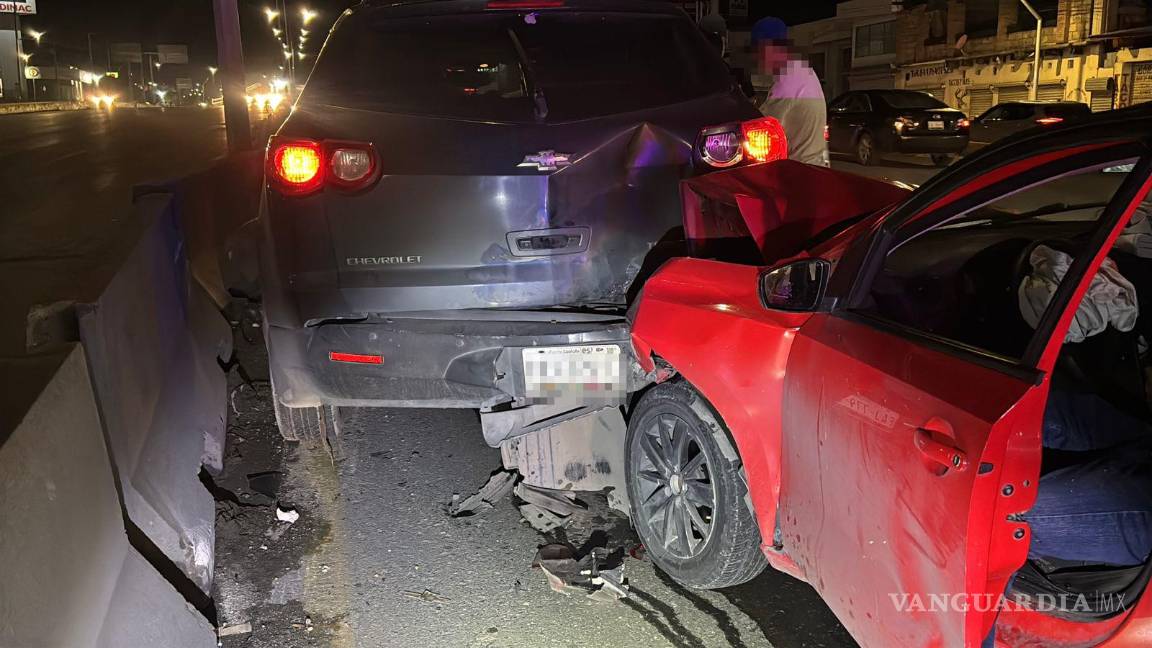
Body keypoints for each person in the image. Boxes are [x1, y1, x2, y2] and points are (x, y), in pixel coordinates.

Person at [750, 17, 829, 167]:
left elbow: (761, 127)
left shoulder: (788, 79)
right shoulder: (804, 71)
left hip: (800, 171)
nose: (756, 58)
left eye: (758, 51)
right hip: (815, 165)